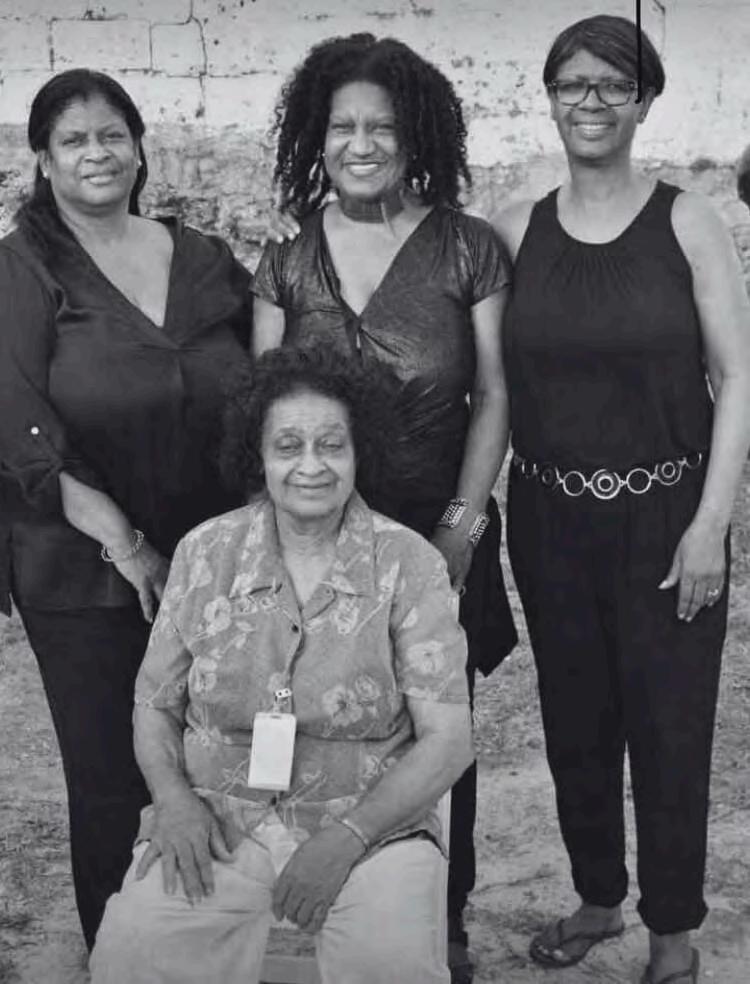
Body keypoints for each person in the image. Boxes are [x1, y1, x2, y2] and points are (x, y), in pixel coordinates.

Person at [252, 34, 517, 980]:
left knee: (440, 732)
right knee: (315, 723)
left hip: (439, 532)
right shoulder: (287, 258)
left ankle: (444, 922)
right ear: (315, 138)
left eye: (384, 128)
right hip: (314, 538)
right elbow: (265, 409)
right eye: (342, 127)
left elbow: (495, 394)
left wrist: (461, 528)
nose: (361, 144)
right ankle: (319, 907)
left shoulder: (468, 247)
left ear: (419, 139)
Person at [493, 15, 750, 984]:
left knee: (671, 729)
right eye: (573, 84)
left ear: (645, 102)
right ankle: (599, 896)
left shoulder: (688, 222)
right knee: (576, 723)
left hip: (669, 517)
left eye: (614, 84)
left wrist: (712, 523)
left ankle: (674, 934)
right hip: (548, 517)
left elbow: (738, 376)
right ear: (551, 98)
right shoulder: (512, 230)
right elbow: (488, 382)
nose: (591, 101)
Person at [88, 344, 473, 984]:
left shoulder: (409, 564)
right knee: (133, 950)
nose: (311, 465)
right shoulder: (204, 553)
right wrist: (174, 801)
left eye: (332, 445)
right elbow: (153, 707)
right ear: (258, 457)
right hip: (215, 819)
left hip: (371, 828)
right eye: (288, 446)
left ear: (360, 452)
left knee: (391, 963)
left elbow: (448, 741)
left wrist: (348, 837)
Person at [0, 69, 252, 949]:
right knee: (112, 774)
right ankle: (120, 952)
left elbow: (268, 365)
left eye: (112, 135)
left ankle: (207, 944)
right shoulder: (20, 267)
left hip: (209, 555)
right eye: (73, 140)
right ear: (43, 160)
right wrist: (127, 543)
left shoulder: (202, 255)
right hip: (84, 566)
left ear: (140, 148)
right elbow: (17, 427)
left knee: (213, 757)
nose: (96, 154)